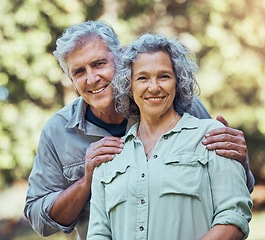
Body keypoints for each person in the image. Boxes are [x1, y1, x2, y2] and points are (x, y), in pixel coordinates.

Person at [24, 20, 254, 240]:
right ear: (71, 81)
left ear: (121, 60)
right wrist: (86, 182)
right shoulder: (57, 132)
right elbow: (39, 219)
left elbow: (231, 194)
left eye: (99, 64)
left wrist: (240, 161)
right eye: (79, 72)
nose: (92, 78)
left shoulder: (178, 103)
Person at [87, 33, 252, 240]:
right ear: (129, 86)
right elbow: (98, 234)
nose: (154, 87)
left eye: (164, 76)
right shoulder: (109, 158)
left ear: (178, 82)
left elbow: (234, 217)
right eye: (142, 78)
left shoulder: (212, 136)